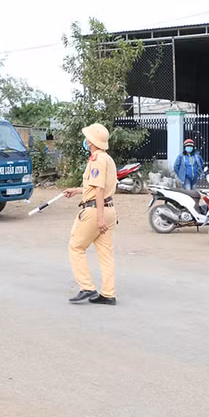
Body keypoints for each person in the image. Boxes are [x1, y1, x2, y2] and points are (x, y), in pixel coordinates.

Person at [63, 123, 118, 306]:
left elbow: (99, 190)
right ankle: (108, 294)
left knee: (76, 247)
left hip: (96, 211)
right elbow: (96, 187)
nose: (85, 140)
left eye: (87, 138)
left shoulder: (97, 160)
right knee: (106, 254)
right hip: (109, 209)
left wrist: (99, 218)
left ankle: (87, 287)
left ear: (92, 141)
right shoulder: (108, 159)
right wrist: (77, 190)